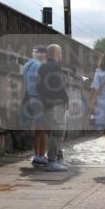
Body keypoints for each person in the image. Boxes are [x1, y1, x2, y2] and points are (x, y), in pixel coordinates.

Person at [36, 44, 70, 172]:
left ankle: (58, 158)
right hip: (56, 105)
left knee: (53, 132)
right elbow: (59, 86)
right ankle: (52, 161)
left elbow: (38, 86)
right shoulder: (54, 67)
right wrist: (66, 99)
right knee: (57, 133)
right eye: (60, 52)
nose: (61, 54)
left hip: (46, 104)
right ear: (56, 53)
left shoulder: (42, 66)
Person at [21, 46, 49, 167]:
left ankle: (37, 154)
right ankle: (42, 156)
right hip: (40, 99)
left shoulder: (27, 65)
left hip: (30, 98)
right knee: (44, 130)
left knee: (38, 129)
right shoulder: (39, 66)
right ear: (42, 55)